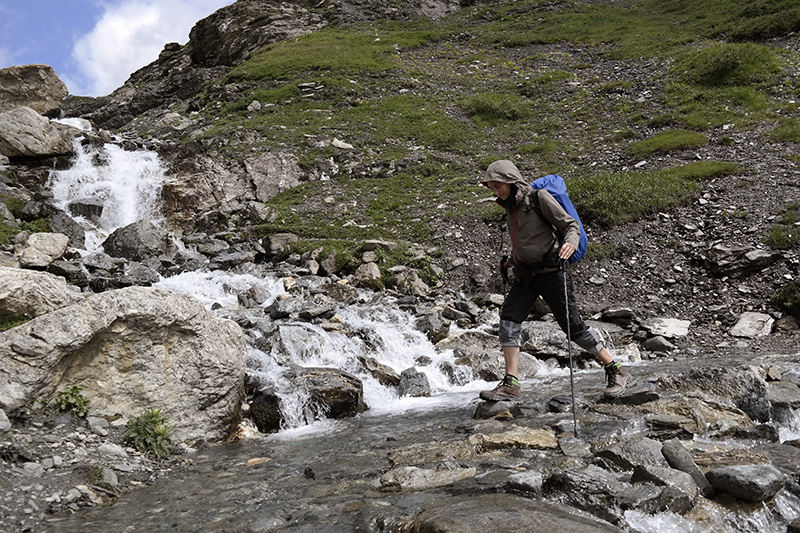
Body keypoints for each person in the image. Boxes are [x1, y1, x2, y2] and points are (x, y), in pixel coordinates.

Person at [479, 159, 629, 401]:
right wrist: (513, 261)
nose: (494, 191)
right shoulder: (510, 207)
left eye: (498, 185)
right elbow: (529, 240)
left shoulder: (538, 198)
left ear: (511, 181)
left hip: (552, 272)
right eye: (491, 187)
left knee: (574, 329)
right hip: (526, 274)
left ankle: (615, 369)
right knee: (508, 321)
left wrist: (570, 242)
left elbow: (569, 224)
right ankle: (511, 384)